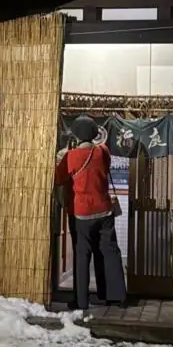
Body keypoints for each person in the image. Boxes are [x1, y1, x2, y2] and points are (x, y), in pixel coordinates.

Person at [54, 115, 128, 311]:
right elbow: (104, 160)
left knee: (82, 254)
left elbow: (58, 178)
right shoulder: (102, 152)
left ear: (77, 136)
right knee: (110, 251)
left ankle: (81, 301)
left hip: (82, 213)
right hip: (104, 211)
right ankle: (116, 296)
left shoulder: (71, 156)